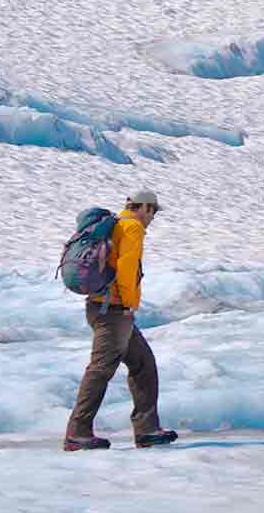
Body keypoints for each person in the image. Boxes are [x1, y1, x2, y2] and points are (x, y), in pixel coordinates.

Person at [63, 188, 178, 451]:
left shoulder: (116, 224)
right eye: (153, 211)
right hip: (113, 312)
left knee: (143, 364)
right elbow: (127, 268)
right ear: (145, 207)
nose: (153, 217)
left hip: (103, 307)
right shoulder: (132, 228)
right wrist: (128, 304)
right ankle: (77, 432)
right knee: (100, 370)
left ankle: (147, 429)